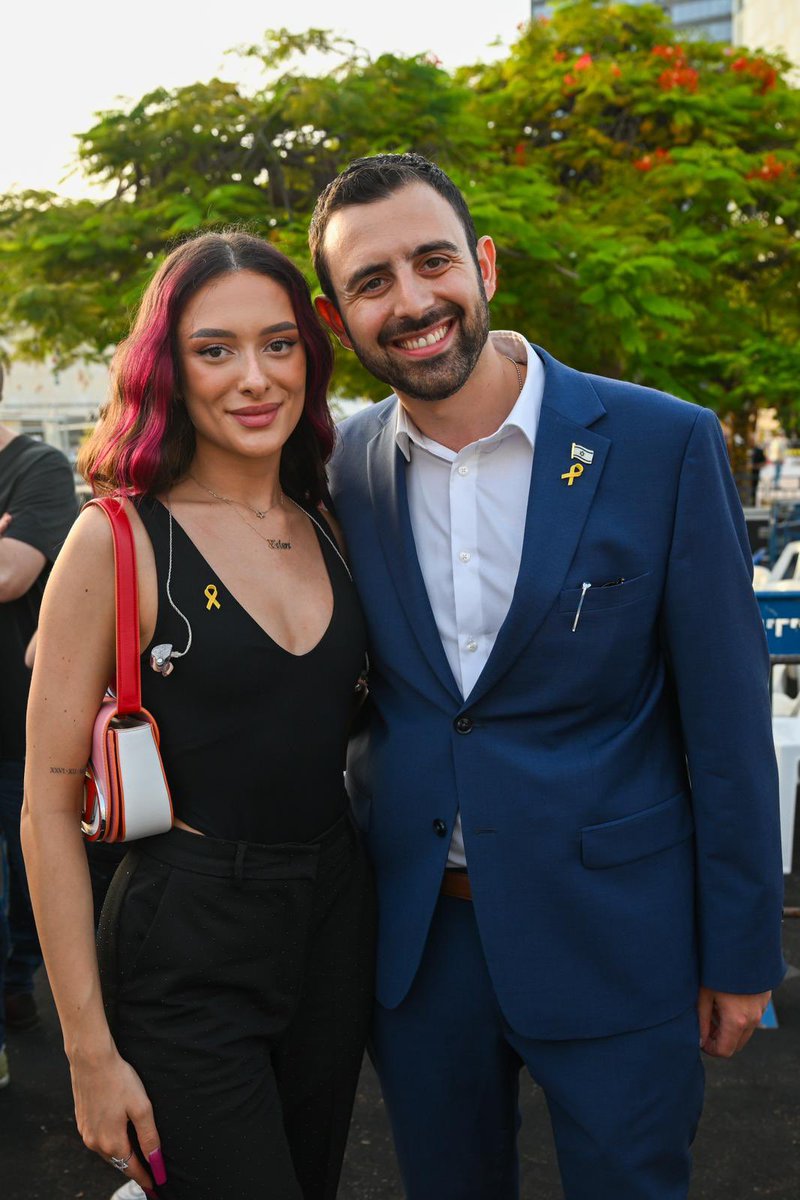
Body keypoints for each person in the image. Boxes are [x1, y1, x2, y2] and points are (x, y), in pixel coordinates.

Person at [307, 153, 786, 1200]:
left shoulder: (660, 442)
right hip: (419, 952)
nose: (412, 300)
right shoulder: (334, 470)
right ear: (336, 319)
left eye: (432, 261)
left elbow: (724, 721)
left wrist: (742, 951)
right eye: (371, 282)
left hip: (621, 937)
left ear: (482, 264)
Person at [21, 231, 375, 1200]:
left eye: (279, 344)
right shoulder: (117, 539)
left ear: (310, 353)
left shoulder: (331, 518)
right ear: (167, 370)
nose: (253, 378)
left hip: (335, 919)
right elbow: (46, 810)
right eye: (214, 350)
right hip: (189, 937)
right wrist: (88, 1054)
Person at [0, 371, 78, 1086]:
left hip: (18, 723)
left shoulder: (38, 466)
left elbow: (11, 573)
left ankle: (18, 983)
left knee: (28, 875)